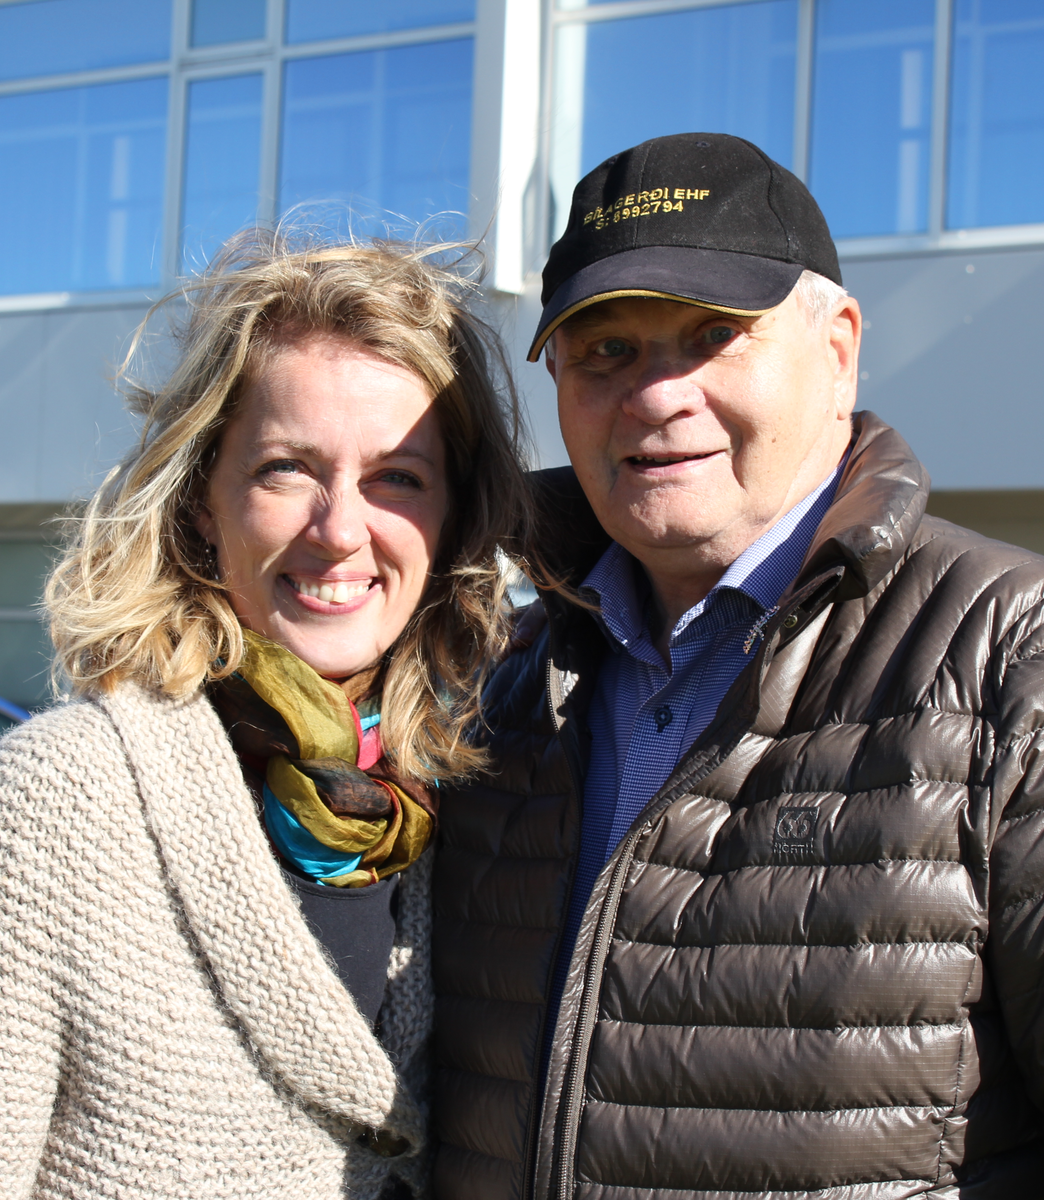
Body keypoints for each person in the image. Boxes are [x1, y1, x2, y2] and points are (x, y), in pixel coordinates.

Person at [0, 235, 530, 1199]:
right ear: (205, 501)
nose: (341, 528)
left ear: (450, 518)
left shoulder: (465, 804)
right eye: (286, 468)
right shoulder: (54, 804)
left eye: (398, 477)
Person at [432, 132, 1044, 1198]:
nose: (657, 395)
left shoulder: (1009, 657)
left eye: (714, 335)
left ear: (839, 349)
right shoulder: (496, 690)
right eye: (605, 350)